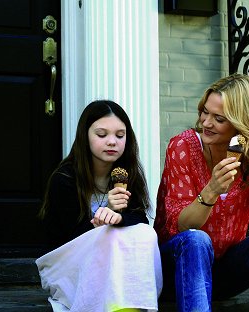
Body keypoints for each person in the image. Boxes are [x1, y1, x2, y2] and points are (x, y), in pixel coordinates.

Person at [155, 73, 249, 311]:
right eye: (204, 112)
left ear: (243, 124)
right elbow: (180, 226)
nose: (206, 123)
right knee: (196, 240)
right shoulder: (183, 147)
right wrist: (211, 191)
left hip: (226, 271)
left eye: (218, 118)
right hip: (177, 269)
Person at [36, 100, 162, 311]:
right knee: (110, 236)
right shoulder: (65, 178)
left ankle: (131, 307)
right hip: (67, 264)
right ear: (85, 136)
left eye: (120, 135)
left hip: (112, 265)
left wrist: (119, 216)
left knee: (144, 233)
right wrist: (101, 221)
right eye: (102, 135)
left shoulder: (127, 173)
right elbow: (66, 239)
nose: (112, 142)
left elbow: (140, 218)